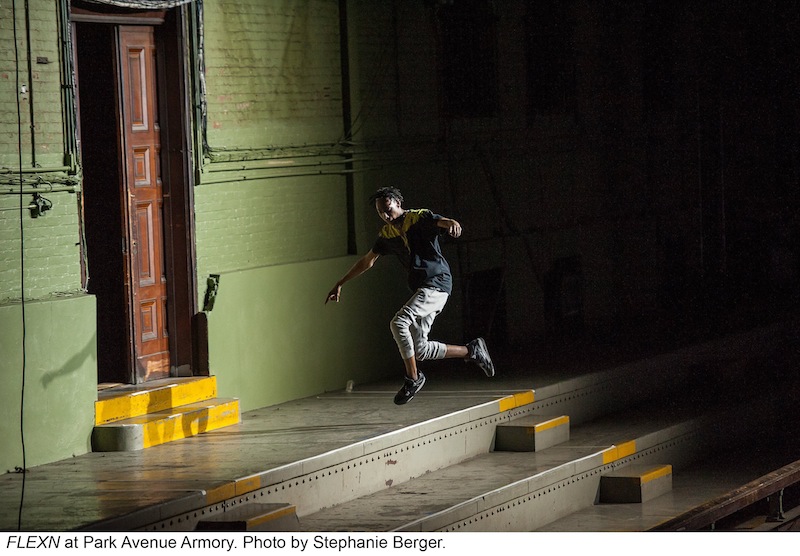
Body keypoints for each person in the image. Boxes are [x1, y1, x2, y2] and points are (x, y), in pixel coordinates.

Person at [326, 186, 495, 405]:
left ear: (398, 202)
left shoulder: (417, 217)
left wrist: (452, 223)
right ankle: (471, 350)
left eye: (388, 209)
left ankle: (413, 379)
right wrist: (341, 282)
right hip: (424, 289)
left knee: (399, 322)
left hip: (437, 282)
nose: (386, 216)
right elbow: (368, 260)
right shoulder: (387, 234)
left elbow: (440, 221)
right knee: (421, 349)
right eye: (381, 213)